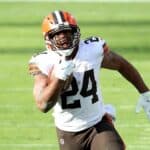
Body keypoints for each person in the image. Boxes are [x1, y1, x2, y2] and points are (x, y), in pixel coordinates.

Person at [28, 10, 150, 150]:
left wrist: (145, 93)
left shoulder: (91, 50)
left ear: (76, 32)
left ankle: (106, 115)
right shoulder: (43, 62)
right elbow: (43, 105)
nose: (63, 37)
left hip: (97, 124)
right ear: (48, 38)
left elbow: (121, 64)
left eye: (67, 31)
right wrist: (59, 78)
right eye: (57, 33)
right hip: (68, 132)